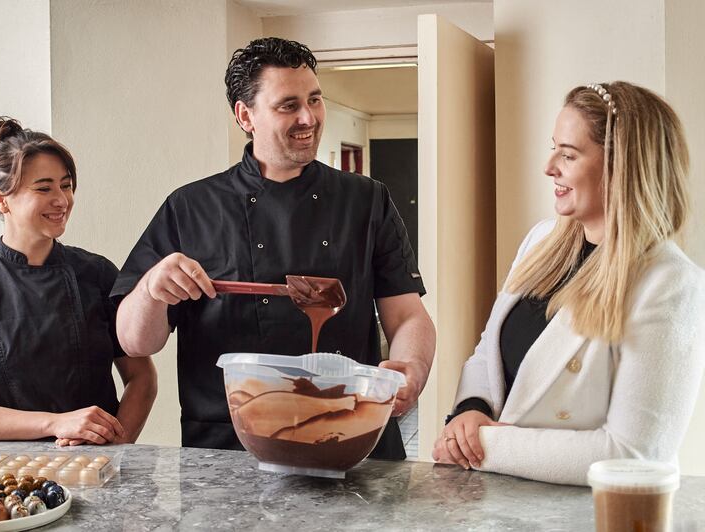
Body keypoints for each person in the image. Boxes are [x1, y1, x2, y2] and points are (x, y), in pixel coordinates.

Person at [112, 37, 436, 458]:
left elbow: (408, 314)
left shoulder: (366, 200)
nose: (309, 117)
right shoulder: (191, 207)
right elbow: (135, 342)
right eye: (288, 105)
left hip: (351, 436)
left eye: (315, 100)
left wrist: (412, 367)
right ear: (245, 116)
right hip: (229, 448)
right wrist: (151, 289)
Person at [433, 82, 705, 485]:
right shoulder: (542, 240)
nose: (549, 166)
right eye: (554, 147)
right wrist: (471, 409)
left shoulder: (671, 285)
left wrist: (483, 446)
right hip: (498, 501)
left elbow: (635, 454)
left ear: (621, 166)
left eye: (569, 154)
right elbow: (488, 351)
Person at [0, 117, 157, 445]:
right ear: (2, 200)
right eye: (44, 188)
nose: (62, 199)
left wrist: (115, 444)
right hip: (8, 476)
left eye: (66, 185)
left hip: (98, 463)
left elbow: (141, 378)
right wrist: (56, 424)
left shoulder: (98, 275)